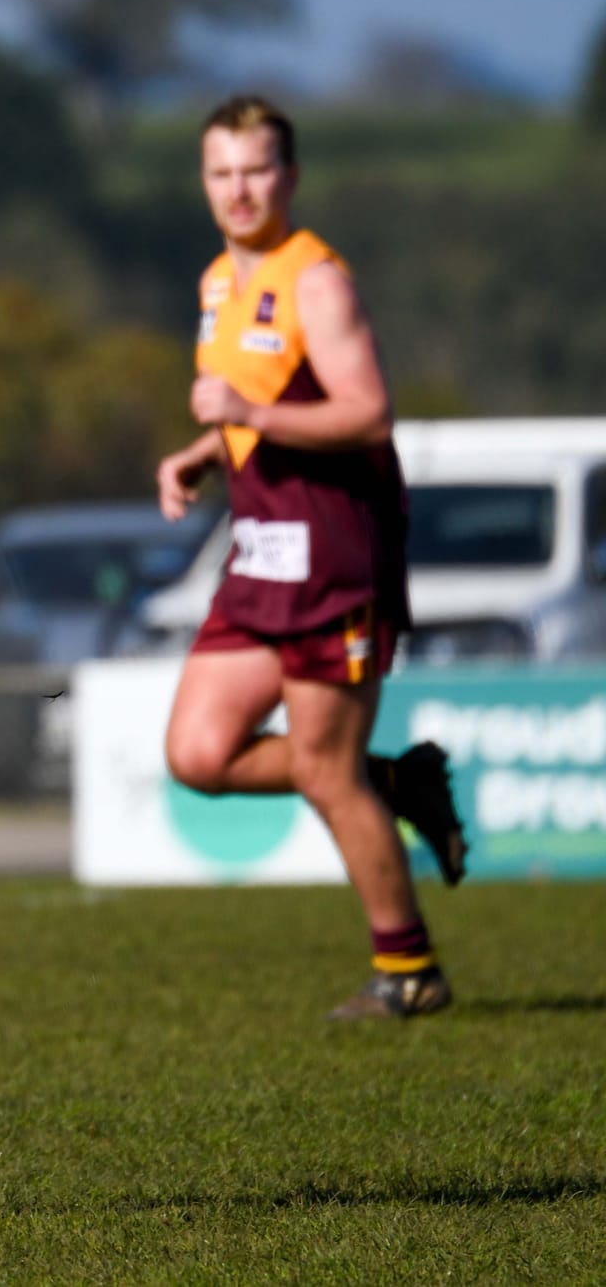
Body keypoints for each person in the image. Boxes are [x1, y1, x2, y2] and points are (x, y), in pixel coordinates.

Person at [153, 95, 467, 1021]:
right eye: (222, 172)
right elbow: (258, 398)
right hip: (260, 549)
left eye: (256, 170)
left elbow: (366, 410)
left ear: (288, 178)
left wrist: (244, 417)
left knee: (325, 773)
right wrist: (206, 452)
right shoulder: (218, 280)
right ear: (205, 182)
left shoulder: (315, 280)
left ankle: (409, 971)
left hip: (335, 553)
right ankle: (393, 781)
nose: (239, 189)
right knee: (198, 751)